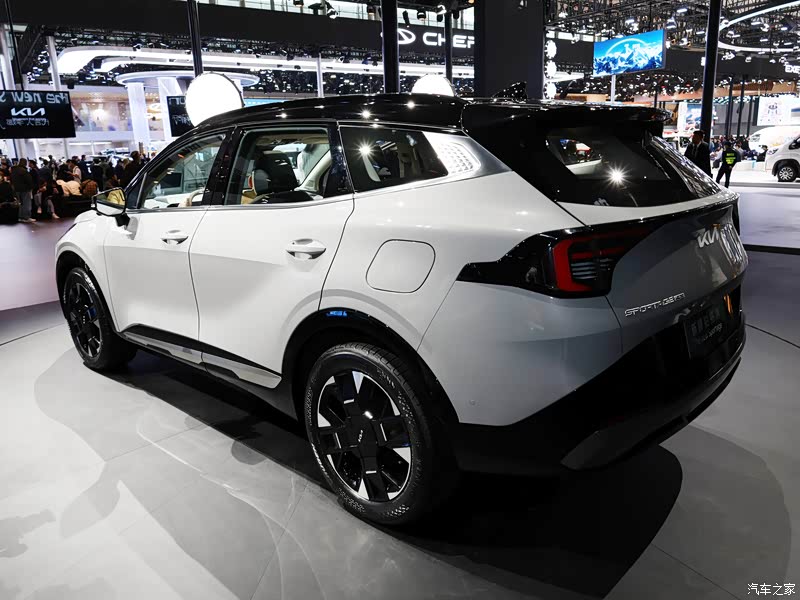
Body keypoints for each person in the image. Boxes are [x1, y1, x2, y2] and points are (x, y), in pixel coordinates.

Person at [11, 158, 35, 223]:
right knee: (26, 203)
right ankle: (26, 217)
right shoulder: (24, 171)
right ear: (25, 163)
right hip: (25, 189)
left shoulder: (14, 170)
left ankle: (21, 217)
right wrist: (31, 187)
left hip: (17, 189)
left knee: (21, 204)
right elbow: (29, 180)